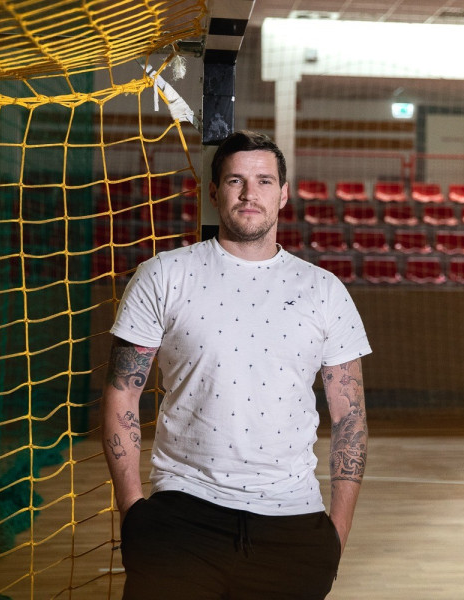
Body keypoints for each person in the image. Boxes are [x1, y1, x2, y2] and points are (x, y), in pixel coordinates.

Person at [101, 130, 371, 599]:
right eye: (235, 181)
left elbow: (351, 418)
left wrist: (337, 534)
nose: (250, 194)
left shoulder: (324, 291)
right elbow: (122, 394)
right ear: (213, 192)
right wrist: (132, 511)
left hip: (293, 525)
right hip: (181, 517)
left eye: (264, 181)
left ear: (283, 194)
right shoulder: (164, 275)